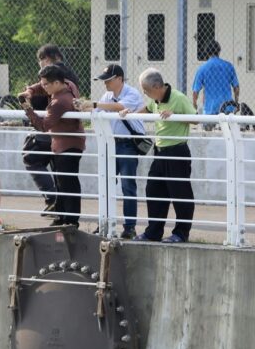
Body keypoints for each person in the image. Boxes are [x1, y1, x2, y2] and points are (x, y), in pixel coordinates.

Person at [128, 68, 195, 243]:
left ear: (157, 86)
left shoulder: (178, 98)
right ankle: (153, 232)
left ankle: (181, 233)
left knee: (180, 193)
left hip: (176, 151)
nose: (145, 94)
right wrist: (130, 114)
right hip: (160, 151)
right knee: (154, 189)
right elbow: (148, 110)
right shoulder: (156, 100)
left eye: (146, 90)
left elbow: (196, 118)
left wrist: (175, 116)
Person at [86, 63, 147, 239]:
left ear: (119, 79)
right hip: (111, 144)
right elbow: (99, 108)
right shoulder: (107, 95)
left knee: (128, 186)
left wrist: (95, 104)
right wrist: (84, 106)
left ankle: (129, 227)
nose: (105, 83)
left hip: (127, 145)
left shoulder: (132, 93)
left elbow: (119, 107)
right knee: (106, 184)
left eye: (108, 80)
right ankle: (104, 223)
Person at [22, 64, 86, 227]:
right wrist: (30, 90)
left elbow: (43, 126)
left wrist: (27, 108)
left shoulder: (58, 102)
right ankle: (63, 217)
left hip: (67, 144)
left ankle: (70, 220)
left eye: (45, 85)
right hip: (69, 142)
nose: (43, 88)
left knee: (67, 182)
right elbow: (41, 87)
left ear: (57, 83)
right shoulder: (69, 85)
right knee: (62, 181)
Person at [191, 39, 239, 116]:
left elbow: (195, 92)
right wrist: (236, 102)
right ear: (219, 51)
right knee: (227, 126)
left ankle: (208, 127)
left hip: (210, 108)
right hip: (227, 107)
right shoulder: (229, 66)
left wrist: (194, 104)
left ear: (206, 52)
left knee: (207, 126)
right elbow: (236, 87)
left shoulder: (202, 68)